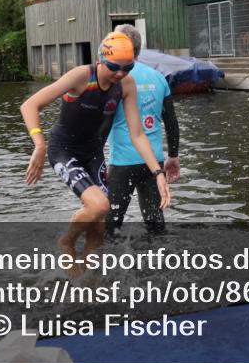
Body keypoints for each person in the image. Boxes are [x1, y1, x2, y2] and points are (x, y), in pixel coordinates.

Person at [21, 32, 170, 267]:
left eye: (127, 68)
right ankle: (66, 241)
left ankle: (86, 281)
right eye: (114, 67)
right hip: (64, 150)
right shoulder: (82, 76)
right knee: (100, 205)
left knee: (99, 224)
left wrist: (158, 173)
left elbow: (137, 134)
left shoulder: (126, 85)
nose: (120, 73)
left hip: (93, 153)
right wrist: (39, 144)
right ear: (101, 60)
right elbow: (30, 105)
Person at [105, 24, 181, 238]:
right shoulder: (158, 77)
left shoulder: (114, 78)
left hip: (122, 163)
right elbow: (172, 122)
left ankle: (104, 268)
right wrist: (173, 156)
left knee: (110, 228)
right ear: (139, 48)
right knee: (156, 227)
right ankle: (162, 265)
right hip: (153, 163)